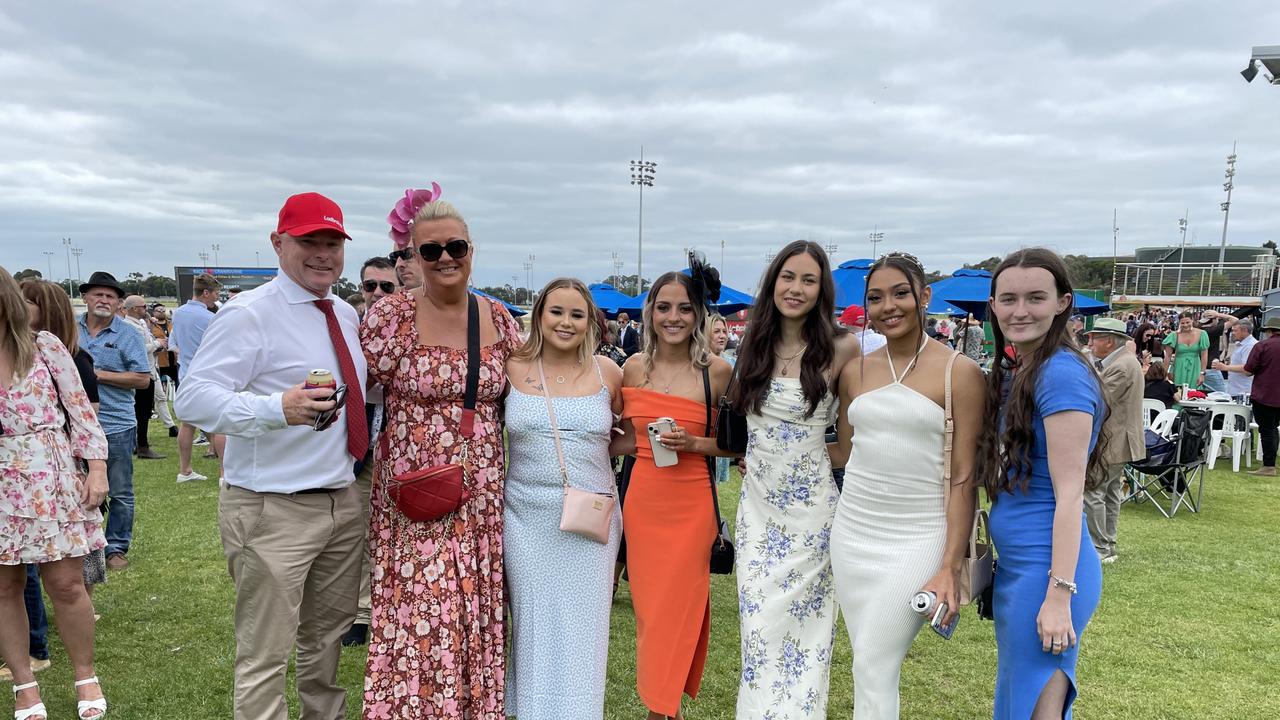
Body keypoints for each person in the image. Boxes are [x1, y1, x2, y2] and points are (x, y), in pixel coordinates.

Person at [174, 191, 367, 720]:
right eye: (309, 241)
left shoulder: (344, 313)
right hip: (270, 507)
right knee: (265, 651)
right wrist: (276, 407)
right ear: (278, 242)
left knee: (326, 641)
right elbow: (192, 397)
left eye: (332, 242)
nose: (323, 253)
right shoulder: (249, 313)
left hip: (340, 502)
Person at [359, 198, 522, 718]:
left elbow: (529, 388)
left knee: (470, 608)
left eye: (456, 246)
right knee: (418, 613)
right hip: (415, 496)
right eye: (431, 250)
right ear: (413, 255)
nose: (445, 257)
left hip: (481, 498)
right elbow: (354, 384)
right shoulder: (391, 315)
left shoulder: (498, 317)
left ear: (472, 250)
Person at [829, 252, 982, 720]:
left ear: (924, 296)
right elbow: (844, 451)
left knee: (874, 663)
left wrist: (949, 566)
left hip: (919, 537)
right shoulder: (854, 370)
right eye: (876, 297)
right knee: (867, 664)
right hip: (853, 535)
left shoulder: (961, 373)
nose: (888, 306)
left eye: (900, 293)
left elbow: (963, 478)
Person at [731, 240, 859, 718]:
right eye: (789, 276)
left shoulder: (843, 347)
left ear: (822, 288)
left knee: (806, 641)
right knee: (759, 634)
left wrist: (798, 455)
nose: (797, 288)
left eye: (809, 279)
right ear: (773, 281)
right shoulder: (754, 342)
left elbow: (846, 446)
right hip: (757, 515)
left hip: (812, 519)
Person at [976, 248, 1105, 719]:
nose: (1020, 310)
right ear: (993, 305)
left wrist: (1058, 594)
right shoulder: (1024, 370)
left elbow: (1071, 497)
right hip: (1021, 568)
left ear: (1063, 302)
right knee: (1020, 702)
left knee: (1036, 708)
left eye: (1035, 297)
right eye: (1008, 298)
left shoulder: (1061, 374)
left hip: (1048, 571)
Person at [502, 277, 624, 719]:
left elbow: (629, 434)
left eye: (577, 314)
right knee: (533, 629)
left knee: (584, 631)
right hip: (524, 518)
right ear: (539, 316)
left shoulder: (608, 372)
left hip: (590, 519)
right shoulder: (511, 367)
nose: (566, 322)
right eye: (556, 312)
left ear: (590, 320)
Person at [617, 268, 733, 720]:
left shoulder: (718, 372)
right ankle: (662, 708)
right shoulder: (632, 368)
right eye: (664, 307)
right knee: (649, 613)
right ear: (650, 312)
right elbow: (628, 438)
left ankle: (660, 711)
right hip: (644, 500)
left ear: (699, 314)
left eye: (684, 308)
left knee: (680, 609)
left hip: (692, 504)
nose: (674, 317)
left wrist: (695, 444)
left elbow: (737, 442)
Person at [0, 266, 110, 720]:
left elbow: (82, 413)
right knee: (5, 587)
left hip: (51, 475)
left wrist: (97, 469)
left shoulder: (45, 346)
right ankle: (24, 685)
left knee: (66, 584)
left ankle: (86, 677)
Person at [338, 255, 403, 648]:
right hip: (359, 448)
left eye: (386, 286)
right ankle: (362, 611)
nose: (377, 293)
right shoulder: (348, 328)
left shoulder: (411, 324)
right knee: (359, 532)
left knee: (397, 533)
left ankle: (391, 607)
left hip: (402, 448)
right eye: (370, 286)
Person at [76, 271, 151, 572]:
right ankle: (84, 547)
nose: (103, 300)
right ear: (86, 297)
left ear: (118, 303)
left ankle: (116, 548)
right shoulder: (68, 329)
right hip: (76, 425)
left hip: (116, 423)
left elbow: (143, 380)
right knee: (78, 487)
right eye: (98, 294)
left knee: (120, 490)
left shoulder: (128, 334)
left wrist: (95, 375)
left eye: (110, 296)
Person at [1083, 318, 1145, 564]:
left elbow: (1097, 399)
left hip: (1113, 439)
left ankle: (1100, 547)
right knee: (1108, 492)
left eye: (1094, 337)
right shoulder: (1124, 362)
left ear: (1108, 341)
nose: (1090, 342)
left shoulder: (1121, 366)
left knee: (1093, 491)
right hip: (1117, 439)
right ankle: (1107, 545)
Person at [171, 273, 222, 484]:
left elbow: (174, 344)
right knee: (221, 424)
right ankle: (225, 475)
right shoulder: (210, 318)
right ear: (206, 292)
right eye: (216, 294)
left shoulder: (178, 314)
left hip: (185, 373)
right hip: (207, 375)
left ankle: (185, 470)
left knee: (188, 423)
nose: (217, 298)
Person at [120, 295, 166, 460]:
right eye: (144, 307)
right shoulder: (129, 326)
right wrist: (157, 344)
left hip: (149, 369)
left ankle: (140, 443)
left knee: (144, 410)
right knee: (141, 411)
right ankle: (142, 446)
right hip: (141, 372)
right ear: (133, 308)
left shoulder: (139, 324)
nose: (146, 310)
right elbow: (139, 348)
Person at [1242, 318, 1280, 477]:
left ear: (1269, 331)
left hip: (1266, 394)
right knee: (1274, 429)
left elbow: (1248, 370)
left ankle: (1269, 466)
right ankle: (1271, 463)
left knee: (1267, 430)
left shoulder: (1263, 346)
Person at [707, 315, 735, 485]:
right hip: (704, 432)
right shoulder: (699, 364)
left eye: (725, 331)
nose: (722, 335)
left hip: (724, 432)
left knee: (715, 484)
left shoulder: (733, 363)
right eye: (716, 331)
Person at [146, 304, 178, 438]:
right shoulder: (145, 327)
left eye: (163, 310)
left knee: (161, 397)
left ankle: (171, 426)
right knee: (145, 402)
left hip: (165, 362)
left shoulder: (170, 324)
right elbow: (142, 347)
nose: (162, 312)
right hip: (153, 364)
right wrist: (158, 344)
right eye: (159, 310)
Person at [1212, 319, 1258, 402]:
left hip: (1243, 391)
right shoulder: (1241, 344)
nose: (1232, 333)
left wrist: (1225, 367)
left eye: (1235, 331)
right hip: (1236, 389)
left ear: (1245, 331)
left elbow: (1247, 367)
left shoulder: (1250, 346)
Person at [1162, 311, 1209, 390]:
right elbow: (1167, 356)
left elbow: (1204, 355)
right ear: (1179, 323)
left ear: (1192, 320)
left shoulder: (1202, 334)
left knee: (1194, 391)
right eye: (1182, 323)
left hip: (1195, 366)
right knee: (1178, 390)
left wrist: (1202, 373)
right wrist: (1164, 374)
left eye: (1187, 322)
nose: (1185, 325)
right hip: (1178, 366)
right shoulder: (1174, 335)